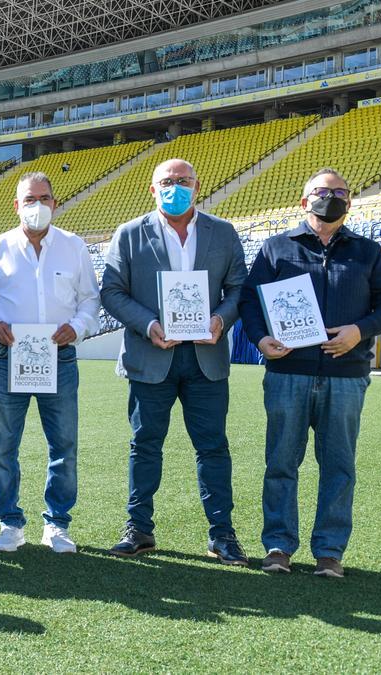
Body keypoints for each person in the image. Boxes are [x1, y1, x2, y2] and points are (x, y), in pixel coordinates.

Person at [239, 168, 381, 578]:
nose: (330, 197)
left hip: (346, 376)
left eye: (339, 192)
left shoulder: (368, 252)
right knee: (281, 462)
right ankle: (278, 546)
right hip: (287, 372)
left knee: (338, 466)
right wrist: (261, 341)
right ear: (303, 201)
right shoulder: (276, 248)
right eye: (321, 191)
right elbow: (249, 302)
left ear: (349, 203)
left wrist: (358, 331)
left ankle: (329, 551)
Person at [99, 158, 250, 565]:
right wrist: (148, 325)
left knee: (213, 448)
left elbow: (239, 288)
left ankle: (222, 534)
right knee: (144, 445)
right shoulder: (129, 234)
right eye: (167, 181)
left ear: (197, 185)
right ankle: (139, 528)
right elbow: (112, 291)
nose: (175, 187)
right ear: (152, 190)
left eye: (183, 180)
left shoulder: (222, 232)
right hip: (152, 356)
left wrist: (221, 319)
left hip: (206, 357)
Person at [0, 172, 100, 553]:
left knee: (63, 444)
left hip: (59, 357)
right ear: (16, 205)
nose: (37, 206)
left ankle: (57, 523)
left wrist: (75, 328)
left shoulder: (74, 247)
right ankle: (10, 522)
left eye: (43, 198)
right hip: (8, 356)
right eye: (29, 199)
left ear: (55, 203)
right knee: (4, 445)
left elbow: (90, 300)